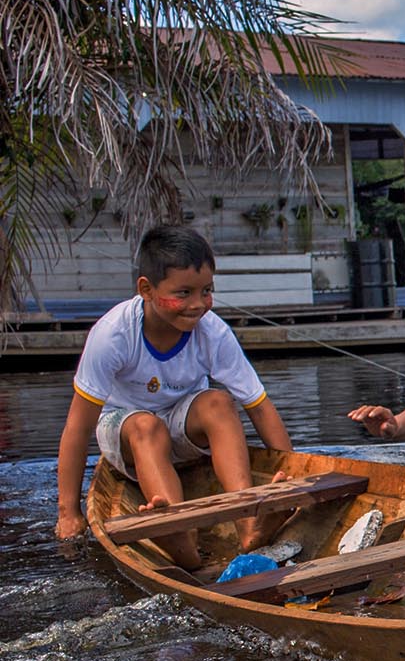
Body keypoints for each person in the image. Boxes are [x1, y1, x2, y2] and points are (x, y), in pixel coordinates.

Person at [54, 225, 294, 567]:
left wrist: (295, 479)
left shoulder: (213, 333)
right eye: (183, 293)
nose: (198, 305)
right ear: (146, 290)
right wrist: (69, 512)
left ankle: (248, 521)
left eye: (207, 291)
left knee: (219, 402)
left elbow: (259, 407)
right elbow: (77, 429)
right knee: (147, 428)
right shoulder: (113, 335)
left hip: (182, 428)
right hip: (128, 431)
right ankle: (179, 536)